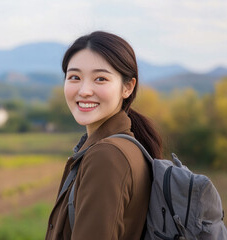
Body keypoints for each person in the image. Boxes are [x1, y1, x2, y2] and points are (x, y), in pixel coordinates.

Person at [45, 31, 162, 240]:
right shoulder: (122, 147)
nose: (85, 90)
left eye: (100, 78)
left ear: (127, 87)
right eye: (75, 77)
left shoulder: (107, 156)